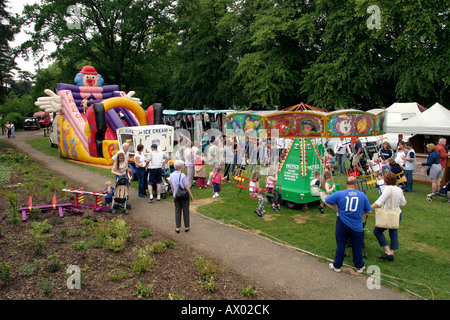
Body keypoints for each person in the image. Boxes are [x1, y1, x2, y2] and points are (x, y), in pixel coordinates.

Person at [324, 176, 372, 273]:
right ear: (356, 184)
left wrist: (335, 208)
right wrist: (360, 212)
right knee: (357, 245)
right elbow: (369, 210)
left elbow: (326, 201)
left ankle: (337, 265)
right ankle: (359, 266)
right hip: (356, 225)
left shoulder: (339, 194)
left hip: (342, 222)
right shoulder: (362, 195)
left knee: (341, 244)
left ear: (346, 184)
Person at [371, 172, 407, 261]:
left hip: (388, 214)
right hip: (397, 213)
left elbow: (379, 201)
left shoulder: (388, 189)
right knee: (393, 233)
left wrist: (369, 208)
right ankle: (391, 252)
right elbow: (403, 202)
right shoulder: (399, 189)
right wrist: (396, 206)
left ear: (386, 180)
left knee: (377, 231)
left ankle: (387, 251)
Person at [169, 160, 194, 233]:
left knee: (177, 211)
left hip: (176, 195)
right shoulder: (182, 175)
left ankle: (177, 227)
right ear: (180, 167)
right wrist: (191, 196)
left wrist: (174, 194)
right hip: (184, 195)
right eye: (183, 166)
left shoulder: (171, 175)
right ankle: (186, 226)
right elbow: (186, 186)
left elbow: (171, 186)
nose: (184, 167)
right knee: (186, 210)